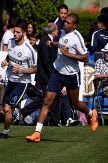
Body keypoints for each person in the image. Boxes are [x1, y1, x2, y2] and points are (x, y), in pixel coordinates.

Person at [26, 13, 98, 143]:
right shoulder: (64, 32)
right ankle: (37, 133)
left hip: (71, 75)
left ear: (74, 25)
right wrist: (53, 44)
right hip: (58, 72)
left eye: (68, 23)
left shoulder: (77, 38)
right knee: (47, 101)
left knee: (74, 104)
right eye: (65, 22)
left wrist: (68, 54)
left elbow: (85, 57)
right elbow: (62, 43)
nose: (65, 24)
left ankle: (90, 114)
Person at [0, 21, 37, 138]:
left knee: (8, 108)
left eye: (18, 32)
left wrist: (21, 71)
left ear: (24, 33)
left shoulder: (29, 50)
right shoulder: (10, 42)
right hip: (10, 80)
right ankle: (6, 131)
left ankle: (6, 131)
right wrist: (6, 61)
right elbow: (9, 56)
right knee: (5, 109)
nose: (14, 34)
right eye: (14, 31)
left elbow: (35, 69)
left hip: (21, 83)